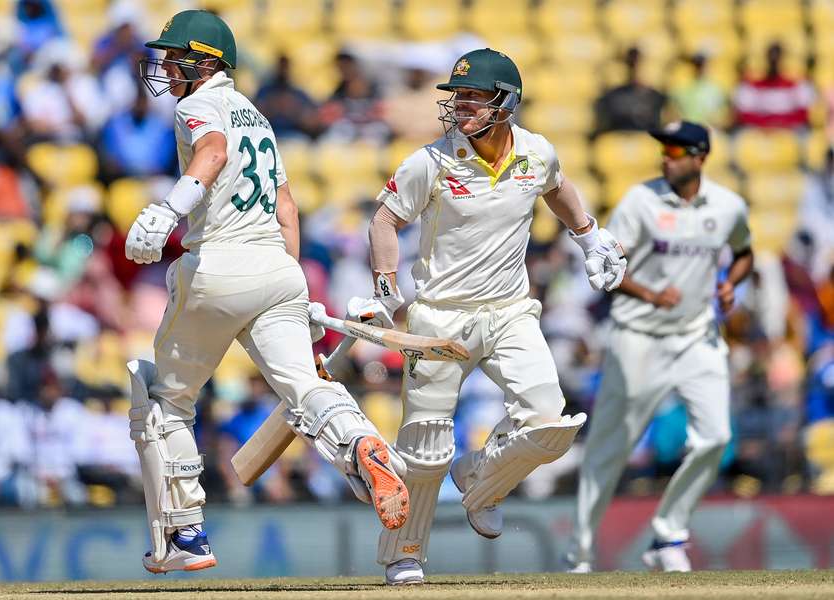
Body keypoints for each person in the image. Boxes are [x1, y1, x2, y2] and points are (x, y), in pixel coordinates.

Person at [125, 10, 410, 574]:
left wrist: (168, 211)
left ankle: (185, 537)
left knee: (165, 402)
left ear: (206, 62)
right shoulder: (258, 116)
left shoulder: (196, 104)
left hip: (217, 266)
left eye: (176, 57)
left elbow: (211, 154)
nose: (166, 68)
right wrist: (294, 286)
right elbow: (287, 208)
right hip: (277, 270)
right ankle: (359, 444)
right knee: (304, 388)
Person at [350, 48, 627, 585]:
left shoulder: (536, 153)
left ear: (506, 103)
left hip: (509, 311)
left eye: (474, 97)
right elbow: (383, 222)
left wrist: (590, 236)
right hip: (438, 318)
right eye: (459, 97)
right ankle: (404, 553)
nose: (461, 107)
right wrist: (385, 290)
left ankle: (480, 483)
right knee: (424, 446)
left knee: (550, 422)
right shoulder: (429, 161)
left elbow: (556, 187)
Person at [567, 121, 754, 573]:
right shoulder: (640, 201)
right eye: (662, 149)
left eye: (674, 149)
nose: (665, 157)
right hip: (638, 337)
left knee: (716, 437)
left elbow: (744, 251)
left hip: (697, 336)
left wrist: (730, 283)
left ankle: (668, 535)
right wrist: (650, 294)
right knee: (611, 447)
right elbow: (608, 263)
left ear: (700, 156)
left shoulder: (728, 206)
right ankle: (580, 553)